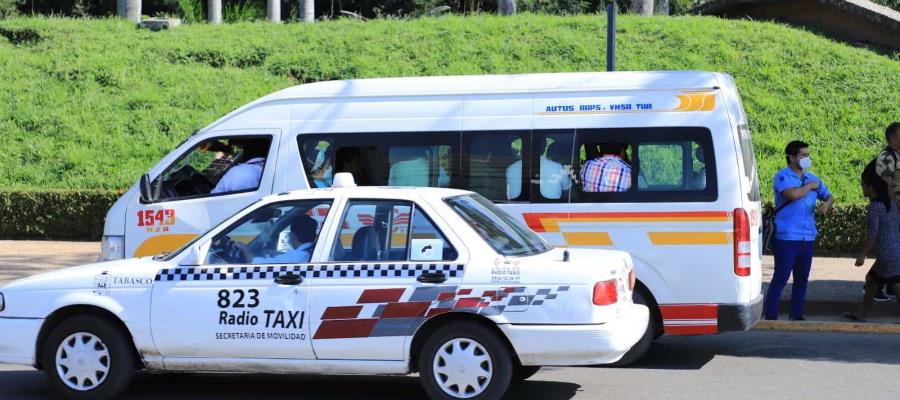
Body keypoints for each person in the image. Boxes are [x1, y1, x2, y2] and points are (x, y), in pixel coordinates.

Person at [763, 140, 835, 321]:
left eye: (807, 154)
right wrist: (810, 187)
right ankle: (771, 315)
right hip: (786, 236)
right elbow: (792, 195)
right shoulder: (782, 176)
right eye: (803, 155)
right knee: (781, 277)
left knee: (802, 278)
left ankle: (796, 314)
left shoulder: (813, 177)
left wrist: (826, 204)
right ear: (791, 157)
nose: (807, 158)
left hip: (807, 236)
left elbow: (829, 196)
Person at [844, 161, 900, 322]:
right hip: (895, 249)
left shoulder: (875, 208)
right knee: (872, 279)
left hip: (887, 252)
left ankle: (864, 314)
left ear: (870, 187)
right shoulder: (892, 205)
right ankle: (863, 314)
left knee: (896, 284)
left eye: (863, 184)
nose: (862, 187)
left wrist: (862, 255)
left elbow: (873, 234)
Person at [871, 122, 900, 302]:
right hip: (892, 208)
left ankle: (884, 284)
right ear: (891, 138)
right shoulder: (887, 157)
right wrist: (895, 206)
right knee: (890, 249)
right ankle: (875, 284)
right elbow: (886, 186)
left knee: (893, 249)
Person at [252, 215, 319, 264]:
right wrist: (272, 253)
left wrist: (244, 249)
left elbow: (258, 263)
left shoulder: (298, 256)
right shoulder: (312, 250)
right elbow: (289, 256)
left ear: (293, 236)